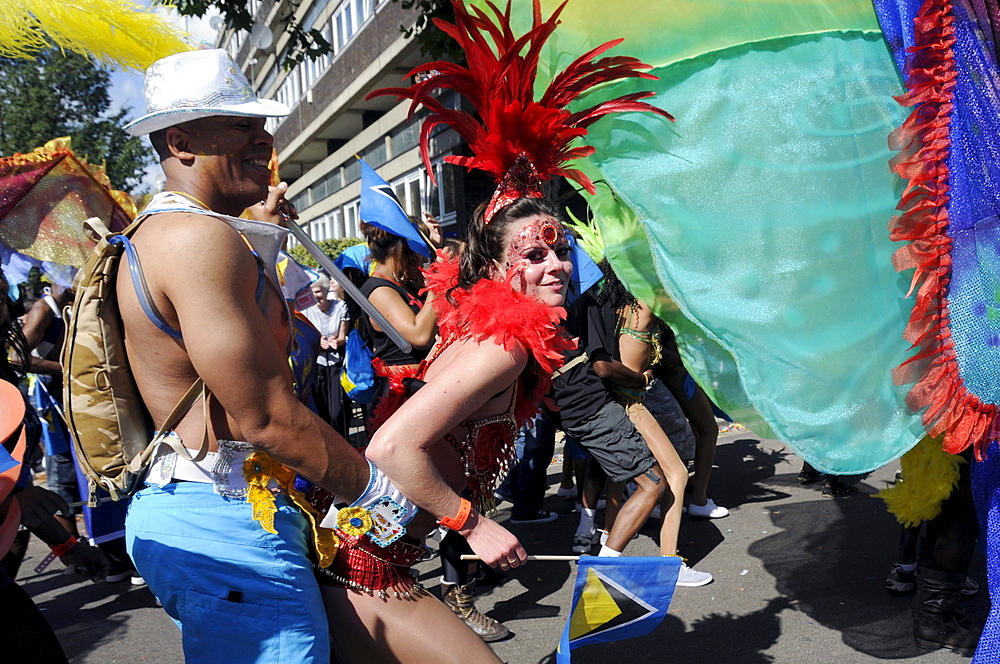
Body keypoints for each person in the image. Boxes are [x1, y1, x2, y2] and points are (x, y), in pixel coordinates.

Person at [116, 49, 422, 664]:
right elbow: (264, 417)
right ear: (180, 142)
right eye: (242, 127)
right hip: (224, 518)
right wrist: (386, 497)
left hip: (220, 513)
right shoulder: (198, 240)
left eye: (261, 124)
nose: (266, 139)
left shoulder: (180, 233)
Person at [302, 274, 350, 432]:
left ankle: (344, 441)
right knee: (321, 409)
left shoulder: (340, 307)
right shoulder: (306, 310)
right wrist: (318, 341)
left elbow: (343, 336)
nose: (315, 296)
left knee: (337, 409)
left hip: (337, 362)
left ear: (326, 290)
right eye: (312, 293)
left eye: (318, 292)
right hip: (316, 363)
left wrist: (337, 341)